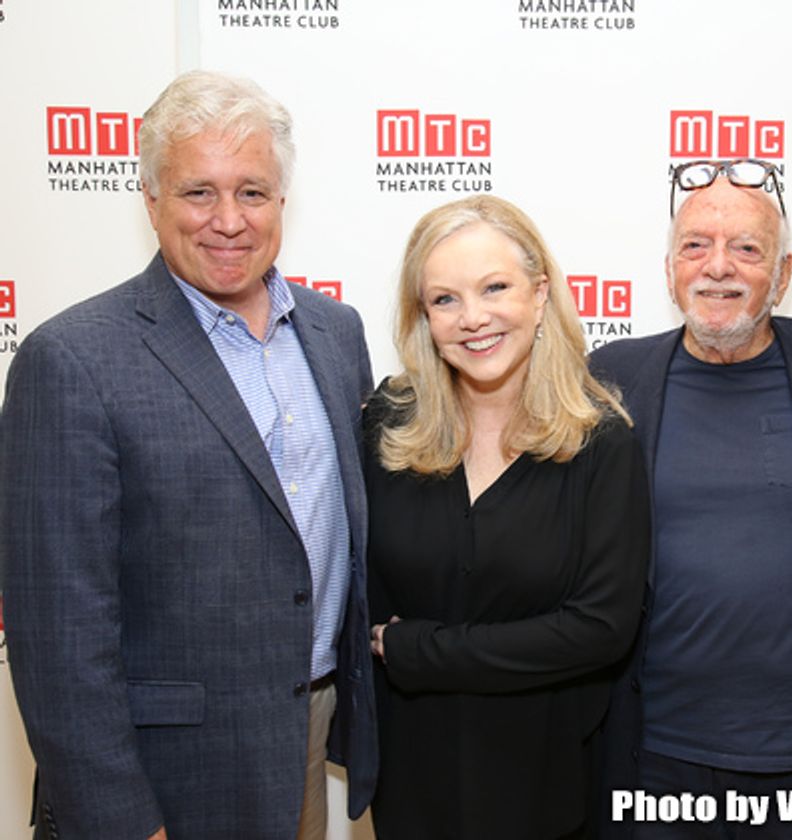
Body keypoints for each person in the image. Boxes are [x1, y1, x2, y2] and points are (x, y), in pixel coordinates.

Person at [0, 70, 377, 840]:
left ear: (281, 200)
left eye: (252, 192)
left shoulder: (338, 334)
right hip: (164, 770)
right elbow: (58, 637)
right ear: (150, 200)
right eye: (198, 192)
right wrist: (119, 819)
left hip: (308, 731)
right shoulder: (70, 360)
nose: (228, 221)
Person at [591, 162, 792, 839]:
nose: (717, 267)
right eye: (696, 245)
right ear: (669, 268)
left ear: (783, 275)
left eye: (747, 249)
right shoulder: (610, 379)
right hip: (654, 763)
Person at [364, 194, 651, 839]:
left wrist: (418, 649)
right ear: (423, 316)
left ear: (540, 294)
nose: (473, 319)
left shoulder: (601, 441)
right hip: (411, 782)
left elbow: (599, 629)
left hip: (547, 789)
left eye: (495, 288)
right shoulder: (387, 425)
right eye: (445, 299)